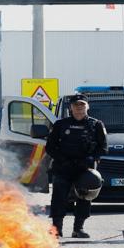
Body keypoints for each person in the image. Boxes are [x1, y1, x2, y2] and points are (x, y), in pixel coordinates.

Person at [44, 94, 107, 238]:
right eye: (76, 106)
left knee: (84, 198)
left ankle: (78, 229)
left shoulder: (96, 124)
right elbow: (50, 147)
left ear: (87, 107)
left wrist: (90, 159)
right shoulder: (60, 125)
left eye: (82, 105)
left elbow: (103, 147)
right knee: (59, 198)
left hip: (85, 169)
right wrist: (62, 159)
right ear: (70, 108)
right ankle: (56, 229)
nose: (79, 109)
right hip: (63, 167)